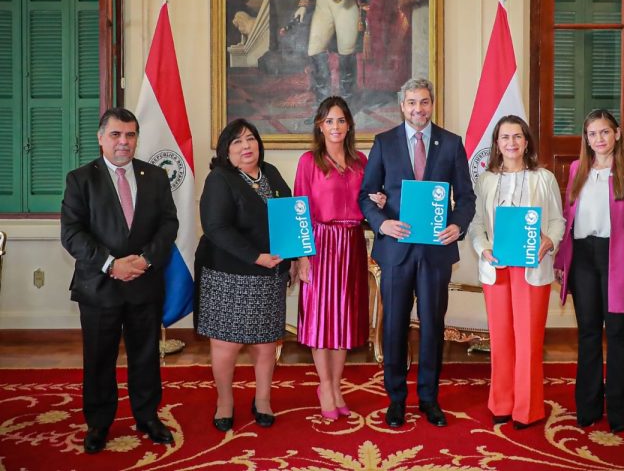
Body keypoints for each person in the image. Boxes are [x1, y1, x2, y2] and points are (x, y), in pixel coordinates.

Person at [358, 78, 476, 428]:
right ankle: (396, 399)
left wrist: (458, 225)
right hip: (396, 250)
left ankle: (428, 398)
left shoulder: (451, 144)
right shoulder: (384, 143)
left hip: (436, 252)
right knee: (393, 326)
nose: (417, 109)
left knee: (432, 327)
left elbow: (467, 198)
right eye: (411, 102)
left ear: (432, 104)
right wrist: (381, 223)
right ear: (401, 105)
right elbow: (367, 195)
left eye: (423, 102)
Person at [60, 108, 179, 454]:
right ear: (101, 138)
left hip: (144, 281)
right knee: (99, 358)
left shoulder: (155, 177)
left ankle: (147, 417)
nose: (123, 142)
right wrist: (112, 265)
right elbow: (71, 234)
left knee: (145, 356)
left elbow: (168, 225)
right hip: (99, 287)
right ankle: (99, 423)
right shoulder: (80, 179)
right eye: (116, 135)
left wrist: (144, 260)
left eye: (130, 135)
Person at [554, 109, 624, 434]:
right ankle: (588, 406)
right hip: (583, 257)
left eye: (604, 132)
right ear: (586, 138)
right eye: (592, 134)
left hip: (620, 257)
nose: (599, 139)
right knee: (587, 333)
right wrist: (560, 262)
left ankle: (621, 411)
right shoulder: (576, 170)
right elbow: (568, 219)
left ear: (617, 134)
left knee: (618, 334)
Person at [195, 119, 293, 432]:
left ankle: (262, 400)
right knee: (227, 345)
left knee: (265, 345)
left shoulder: (272, 174)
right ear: (226, 150)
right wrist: (255, 257)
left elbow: (289, 218)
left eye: (250, 139)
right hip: (229, 275)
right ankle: (225, 402)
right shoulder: (220, 179)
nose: (246, 146)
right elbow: (216, 228)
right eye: (236, 142)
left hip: (269, 276)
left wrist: (290, 259)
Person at [468, 115, 565, 429]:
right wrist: (483, 248)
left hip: (531, 269)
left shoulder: (544, 178)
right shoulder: (486, 180)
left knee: (528, 340)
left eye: (517, 137)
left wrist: (549, 240)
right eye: (505, 137)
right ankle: (502, 403)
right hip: (496, 269)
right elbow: (477, 225)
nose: (511, 143)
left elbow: (557, 222)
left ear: (526, 142)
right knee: (500, 339)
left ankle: (527, 408)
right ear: (496, 144)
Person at [293, 96, 385, 419]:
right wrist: (302, 257)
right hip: (319, 244)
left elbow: (368, 202)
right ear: (320, 125)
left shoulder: (361, 160)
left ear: (349, 125)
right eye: (329, 121)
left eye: (341, 120)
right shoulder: (309, 161)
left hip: (352, 244)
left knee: (344, 318)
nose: (335, 127)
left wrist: (380, 199)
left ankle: (337, 385)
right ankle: (325, 386)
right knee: (321, 319)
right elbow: (299, 210)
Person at [293, 0, 382, 102]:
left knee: (346, 51)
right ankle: (322, 104)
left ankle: (348, 104)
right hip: (322, 7)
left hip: (346, 5)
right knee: (314, 50)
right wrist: (303, 4)